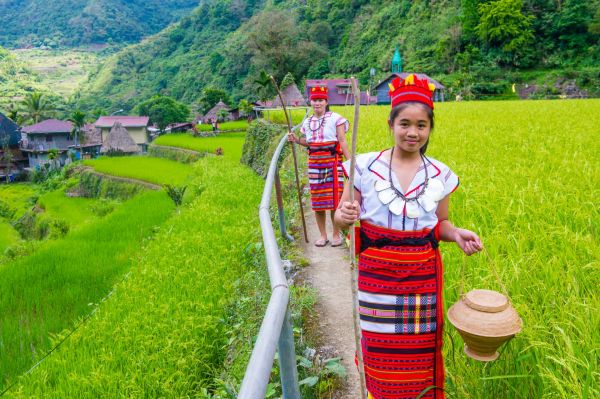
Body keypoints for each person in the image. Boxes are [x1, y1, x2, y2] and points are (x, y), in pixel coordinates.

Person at [335, 74, 483, 398]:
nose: (412, 132)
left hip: (421, 280)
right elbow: (341, 218)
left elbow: (440, 224)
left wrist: (456, 234)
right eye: (404, 123)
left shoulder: (440, 174)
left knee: (418, 353)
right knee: (378, 351)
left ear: (430, 128)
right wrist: (343, 216)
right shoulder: (362, 166)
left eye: (421, 125)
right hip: (376, 279)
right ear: (391, 123)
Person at [288, 85, 351, 247]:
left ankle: (336, 235)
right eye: (315, 100)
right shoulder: (307, 122)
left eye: (320, 100)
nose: (317, 103)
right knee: (318, 202)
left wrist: (350, 163)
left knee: (334, 200)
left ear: (326, 101)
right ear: (311, 101)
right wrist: (295, 139)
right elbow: (308, 143)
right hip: (314, 165)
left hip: (333, 162)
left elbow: (342, 141)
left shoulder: (336, 118)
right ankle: (323, 236)